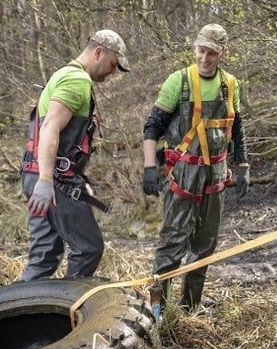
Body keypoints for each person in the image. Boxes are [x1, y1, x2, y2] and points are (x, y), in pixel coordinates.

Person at [141, 23, 250, 312]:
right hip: (183, 175)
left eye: (212, 53)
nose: (205, 58)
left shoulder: (231, 84)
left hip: (216, 175)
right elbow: (152, 127)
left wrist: (243, 164)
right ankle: (157, 312)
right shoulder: (179, 81)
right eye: (201, 51)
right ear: (195, 48)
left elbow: (236, 128)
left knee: (205, 246)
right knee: (171, 245)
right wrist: (150, 168)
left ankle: (191, 308)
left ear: (222, 53)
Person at [20, 29, 130, 281]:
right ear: (99, 52)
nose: (112, 72)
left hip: (34, 174)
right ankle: (69, 309)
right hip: (52, 182)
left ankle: (23, 314)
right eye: (113, 64)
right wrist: (47, 181)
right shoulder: (76, 81)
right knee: (88, 249)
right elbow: (49, 129)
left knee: (43, 256)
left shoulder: (60, 75)